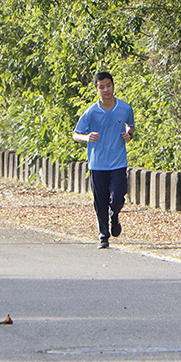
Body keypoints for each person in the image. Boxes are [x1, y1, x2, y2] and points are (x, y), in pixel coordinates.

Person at [74, 73, 135, 249]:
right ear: (97, 89)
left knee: (117, 197)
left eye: (108, 85)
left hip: (118, 162)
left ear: (113, 86)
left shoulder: (124, 108)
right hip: (97, 163)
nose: (106, 90)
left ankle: (114, 215)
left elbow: (131, 125)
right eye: (102, 87)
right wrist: (87, 138)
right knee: (99, 200)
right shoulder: (91, 112)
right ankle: (103, 234)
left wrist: (128, 135)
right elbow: (76, 134)